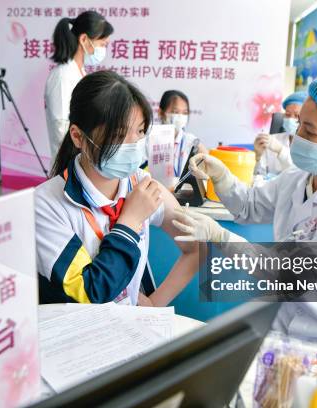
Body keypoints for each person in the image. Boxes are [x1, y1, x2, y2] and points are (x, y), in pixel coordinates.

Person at [174, 75, 317, 354]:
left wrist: (219, 236)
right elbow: (250, 206)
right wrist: (223, 177)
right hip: (289, 324)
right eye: (299, 123)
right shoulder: (299, 176)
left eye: (310, 132)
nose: (297, 136)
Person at [36, 71, 199, 306]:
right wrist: (130, 221)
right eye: (119, 134)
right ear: (78, 136)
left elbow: (197, 247)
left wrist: (154, 303)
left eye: (140, 131)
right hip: (78, 337)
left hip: (130, 333)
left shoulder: (143, 187)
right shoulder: (46, 203)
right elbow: (91, 292)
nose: (133, 145)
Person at [44, 11, 113, 161]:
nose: (103, 50)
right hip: (68, 162)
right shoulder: (62, 75)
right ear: (84, 39)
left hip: (84, 158)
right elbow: (60, 127)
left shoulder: (80, 72)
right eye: (102, 44)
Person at [253, 91, 307, 180]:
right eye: (287, 114)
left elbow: (299, 176)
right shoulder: (272, 140)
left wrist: (281, 150)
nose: (290, 119)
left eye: (297, 115)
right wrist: (258, 157)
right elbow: (258, 174)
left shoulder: (310, 146)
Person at [158, 90, 207, 184]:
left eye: (184, 113)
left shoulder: (192, 141)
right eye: (175, 112)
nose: (180, 116)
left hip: (183, 194)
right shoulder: (150, 139)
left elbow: (209, 167)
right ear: (161, 113)